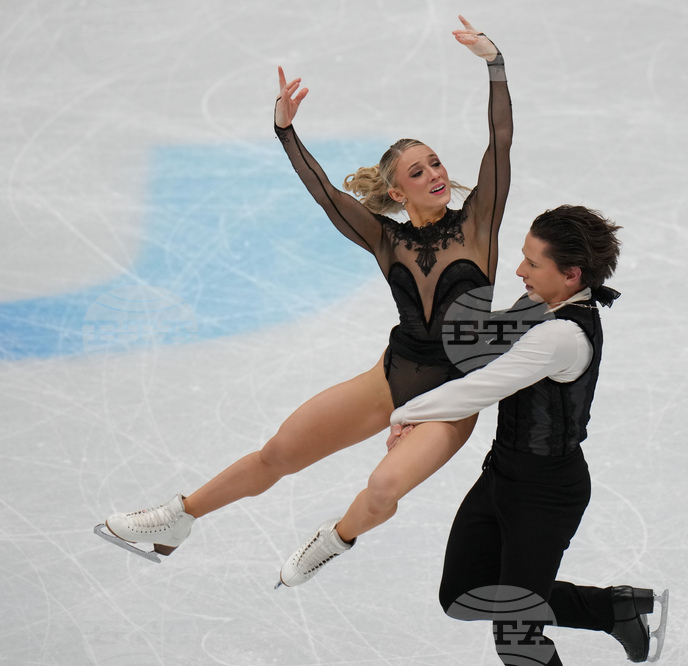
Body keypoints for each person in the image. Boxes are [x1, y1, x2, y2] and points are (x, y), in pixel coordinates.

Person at [99, 17, 513, 572]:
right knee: (278, 453)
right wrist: (285, 131)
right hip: (394, 375)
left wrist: (495, 64)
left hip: (455, 394)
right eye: (418, 171)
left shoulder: (479, 223)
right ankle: (180, 517)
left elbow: (500, 141)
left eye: (435, 162)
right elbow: (324, 194)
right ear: (397, 191)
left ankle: (337, 537)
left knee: (384, 486)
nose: (435, 174)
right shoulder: (385, 238)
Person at [381, 205, 667, 664]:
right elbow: (480, 343)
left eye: (533, 263)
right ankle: (613, 608)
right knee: (461, 594)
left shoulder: (562, 337)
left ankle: (612, 610)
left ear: (572, 275)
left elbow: (484, 386)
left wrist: (404, 412)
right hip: (502, 476)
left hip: (547, 493)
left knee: (516, 637)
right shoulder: (537, 307)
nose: (519, 270)